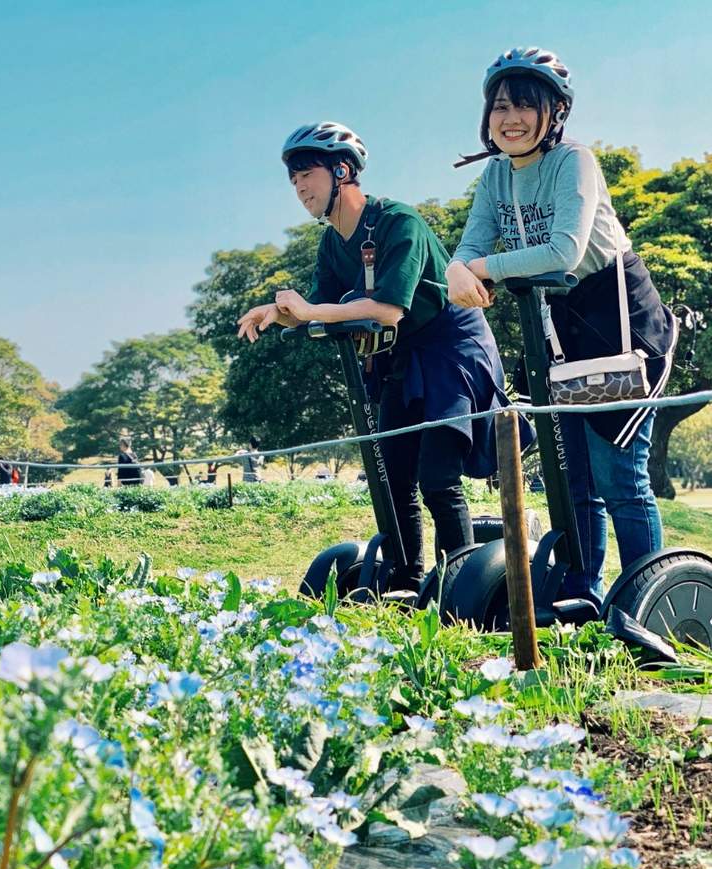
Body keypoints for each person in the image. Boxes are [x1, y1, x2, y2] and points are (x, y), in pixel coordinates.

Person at [238, 121, 525, 592]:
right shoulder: (332, 242)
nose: (299, 187)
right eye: (293, 179)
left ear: (343, 170)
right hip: (401, 358)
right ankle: (406, 582)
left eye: (307, 173)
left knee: (437, 479)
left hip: (452, 349)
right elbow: (323, 307)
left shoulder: (397, 222)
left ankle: (459, 586)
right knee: (391, 480)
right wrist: (281, 313)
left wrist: (311, 310)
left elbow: (389, 309)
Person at [447, 47, 676, 605]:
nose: (512, 118)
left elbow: (564, 252)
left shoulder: (575, 160)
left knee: (620, 477)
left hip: (620, 323)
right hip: (557, 327)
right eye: (501, 106)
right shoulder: (495, 177)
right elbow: (469, 248)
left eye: (527, 105)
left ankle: (652, 602)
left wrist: (476, 269)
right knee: (571, 479)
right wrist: (458, 264)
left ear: (556, 112)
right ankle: (583, 592)